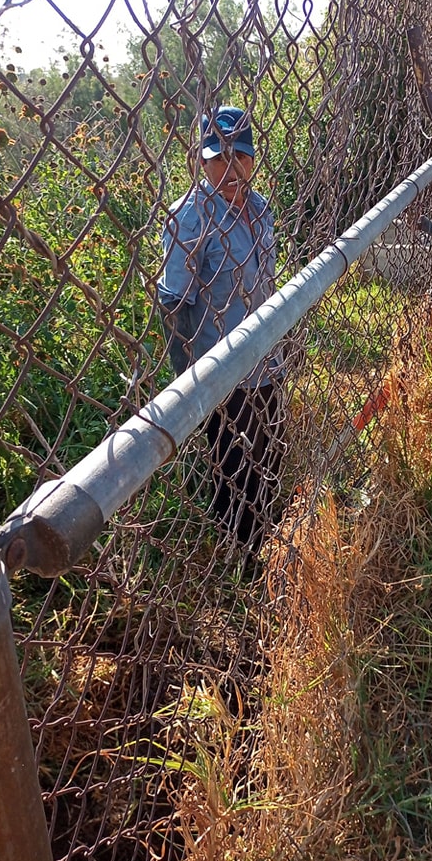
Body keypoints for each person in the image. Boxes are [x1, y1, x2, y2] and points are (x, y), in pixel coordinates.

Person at [156, 106, 285, 561]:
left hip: (267, 361)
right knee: (235, 477)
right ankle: (244, 566)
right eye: (217, 157)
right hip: (223, 376)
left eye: (241, 156)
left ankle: (269, 546)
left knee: (269, 460)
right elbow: (173, 303)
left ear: (253, 157)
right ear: (200, 160)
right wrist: (190, 385)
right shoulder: (189, 218)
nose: (231, 169)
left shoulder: (259, 207)